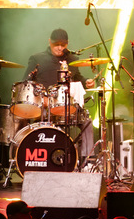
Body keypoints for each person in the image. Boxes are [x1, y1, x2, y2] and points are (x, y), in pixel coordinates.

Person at [23, 28, 94, 158]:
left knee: (87, 122)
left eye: (63, 44)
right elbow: (26, 82)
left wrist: (86, 82)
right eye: (56, 44)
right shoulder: (37, 58)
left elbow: (78, 78)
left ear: (67, 43)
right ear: (50, 42)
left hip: (67, 106)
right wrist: (41, 98)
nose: (60, 48)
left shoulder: (72, 59)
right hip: (45, 107)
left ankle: (87, 160)